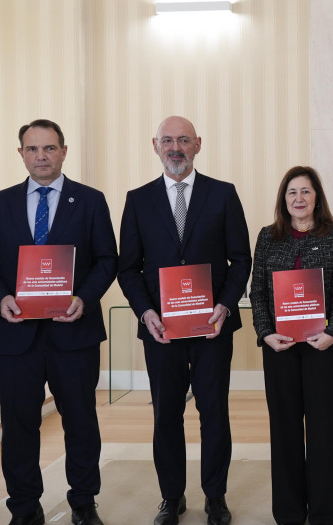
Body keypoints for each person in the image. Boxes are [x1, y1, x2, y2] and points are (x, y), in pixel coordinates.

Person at [0, 119, 115, 525]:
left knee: (81, 423)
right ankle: (25, 509)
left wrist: (84, 298)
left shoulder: (90, 200)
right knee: (18, 427)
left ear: (64, 151)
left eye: (49, 148)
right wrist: (2, 299)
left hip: (75, 333)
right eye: (33, 149)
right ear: (21, 154)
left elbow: (107, 260)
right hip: (15, 337)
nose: (41, 156)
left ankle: (84, 504)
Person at [117, 116, 252, 525]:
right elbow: (128, 268)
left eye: (184, 140)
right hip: (161, 332)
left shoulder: (223, 194)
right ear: (154, 145)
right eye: (168, 140)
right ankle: (171, 497)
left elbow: (241, 258)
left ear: (198, 145)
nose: (175, 147)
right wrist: (147, 311)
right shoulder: (138, 200)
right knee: (166, 415)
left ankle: (215, 496)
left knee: (214, 412)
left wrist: (226, 305)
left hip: (212, 327)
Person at [249, 166, 333, 525]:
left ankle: (323, 513)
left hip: (322, 347)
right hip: (280, 348)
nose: (299, 199)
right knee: (285, 429)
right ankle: (290, 512)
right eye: (292, 192)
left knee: (324, 431)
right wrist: (265, 332)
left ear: (317, 198)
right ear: (284, 199)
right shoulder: (267, 237)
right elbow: (257, 292)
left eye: (306, 192)